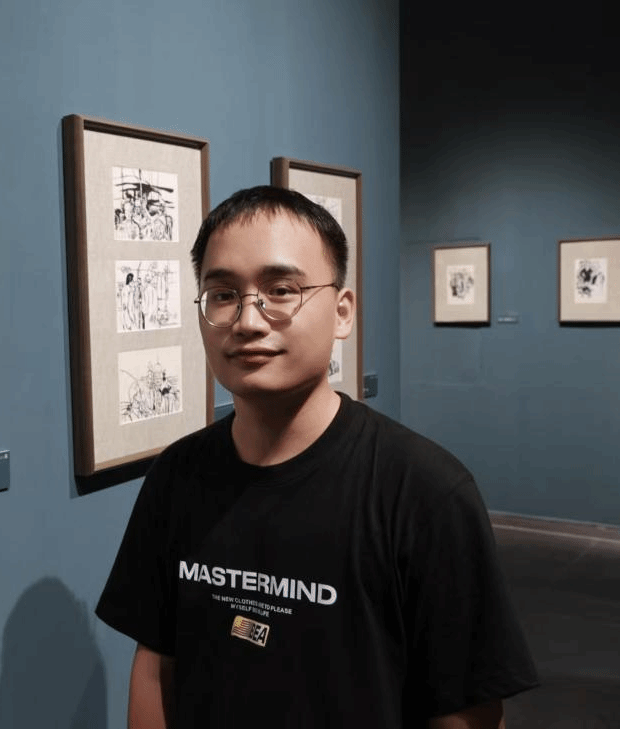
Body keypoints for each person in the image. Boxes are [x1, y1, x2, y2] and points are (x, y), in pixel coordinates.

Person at [95, 185, 538, 728]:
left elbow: (464, 710)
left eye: (281, 290)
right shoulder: (177, 476)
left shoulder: (425, 492)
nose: (248, 321)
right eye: (223, 294)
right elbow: (156, 664)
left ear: (342, 312)